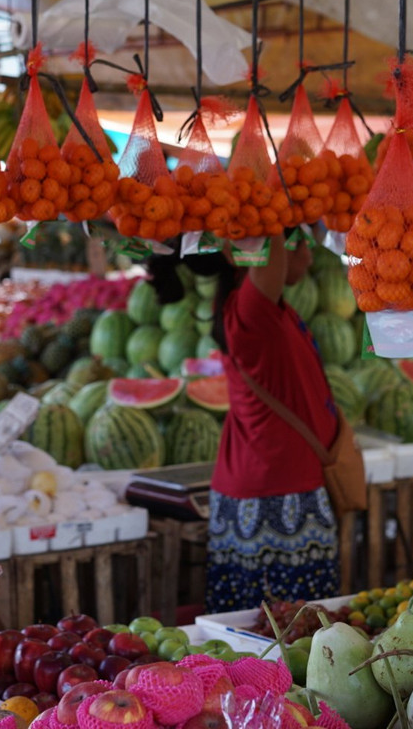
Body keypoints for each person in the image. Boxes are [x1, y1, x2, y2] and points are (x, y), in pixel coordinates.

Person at [147, 238, 340, 612]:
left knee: (298, 631)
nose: (307, 252)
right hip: (272, 492)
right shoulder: (251, 310)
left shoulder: (267, 309)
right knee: (275, 633)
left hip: (283, 484)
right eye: (295, 241)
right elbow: (268, 237)